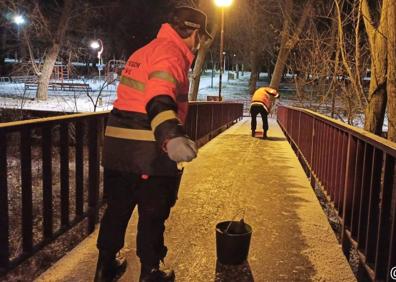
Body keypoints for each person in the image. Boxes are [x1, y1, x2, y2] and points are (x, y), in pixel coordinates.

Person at [94, 6, 212, 282]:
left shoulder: (144, 50)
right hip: (148, 150)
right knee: (152, 213)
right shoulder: (170, 54)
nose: (199, 43)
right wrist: (171, 136)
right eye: (201, 37)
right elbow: (159, 97)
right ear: (193, 32)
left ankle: (104, 268)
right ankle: (150, 272)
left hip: (116, 148)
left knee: (117, 209)